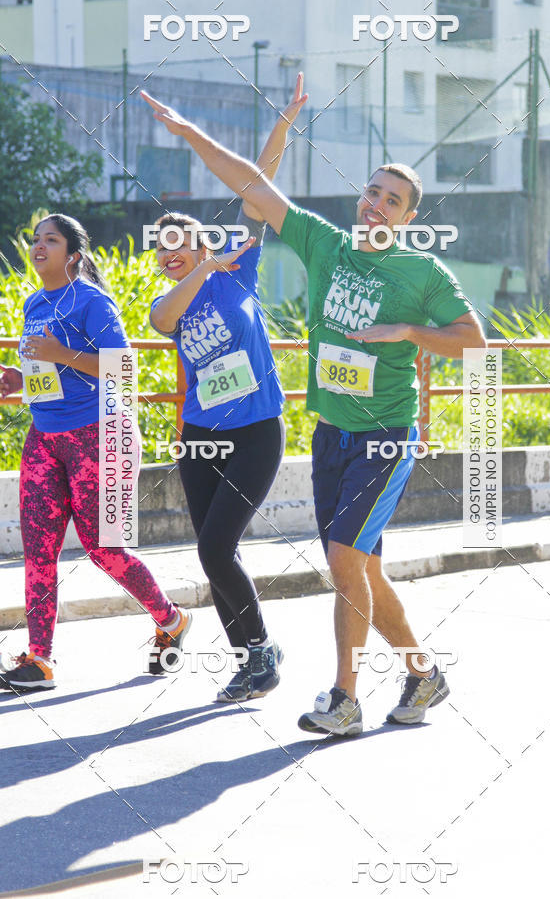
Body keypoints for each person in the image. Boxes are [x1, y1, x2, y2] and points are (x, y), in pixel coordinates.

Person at [141, 84, 486, 736]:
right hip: (331, 436)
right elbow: (252, 186)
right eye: (372, 192)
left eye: (392, 200)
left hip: (384, 437)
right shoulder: (325, 245)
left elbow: (475, 342)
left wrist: (409, 332)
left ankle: (344, 699)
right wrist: (189, 134)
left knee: (343, 560)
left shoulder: (422, 273)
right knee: (363, 567)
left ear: (408, 216)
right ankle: (422, 673)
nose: (376, 204)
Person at [148, 74, 308, 703]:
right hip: (200, 435)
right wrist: (199, 268)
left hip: (256, 432)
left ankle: (259, 653)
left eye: (179, 244)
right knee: (212, 553)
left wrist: (284, 124)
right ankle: (252, 659)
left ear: (200, 241)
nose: (169, 254)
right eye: (162, 251)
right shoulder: (174, 299)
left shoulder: (239, 270)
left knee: (218, 547)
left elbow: (257, 184)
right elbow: (163, 319)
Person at [0, 214, 191, 692]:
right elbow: (48, 371)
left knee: (104, 550)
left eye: (51, 240)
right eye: (37, 239)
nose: (39, 246)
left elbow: (121, 368)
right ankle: (39, 660)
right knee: (38, 550)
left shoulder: (92, 302)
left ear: (74, 255)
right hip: (45, 436)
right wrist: (20, 377)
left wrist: (60, 354)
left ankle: (170, 619)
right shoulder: (33, 303)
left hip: (100, 435)